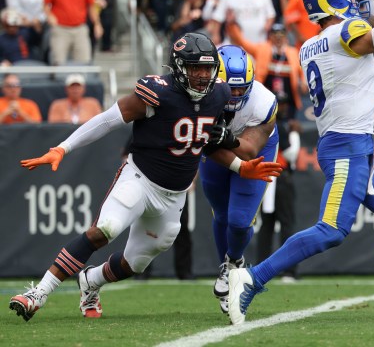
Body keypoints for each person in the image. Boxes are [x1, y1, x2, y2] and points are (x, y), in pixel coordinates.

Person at [228, 0, 374, 326]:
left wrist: (371, 69)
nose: (352, 0)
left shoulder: (309, 45)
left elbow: (345, 71)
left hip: (352, 142)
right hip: (347, 146)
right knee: (332, 229)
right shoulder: (346, 31)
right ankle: (252, 277)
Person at [9, 32, 282, 322]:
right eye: (195, 68)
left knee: (134, 263)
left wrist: (241, 167)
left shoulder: (219, 95)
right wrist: (63, 148)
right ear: (179, 68)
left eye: (207, 68)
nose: (203, 75)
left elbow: (206, 143)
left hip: (174, 196)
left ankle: (91, 282)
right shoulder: (157, 92)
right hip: (140, 178)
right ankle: (37, 293)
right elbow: (107, 120)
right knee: (105, 229)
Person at [198, 44, 279, 315]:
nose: (235, 95)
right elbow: (204, 144)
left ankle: (233, 263)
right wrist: (213, 139)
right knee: (221, 214)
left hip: (255, 148)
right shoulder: (200, 95)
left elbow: (249, 150)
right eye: (230, 88)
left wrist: (220, 136)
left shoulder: (263, 101)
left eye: (241, 88)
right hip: (216, 151)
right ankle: (230, 265)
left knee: (239, 219)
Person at [256, 92, 301, 282]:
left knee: (268, 225)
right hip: (278, 176)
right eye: (279, 105)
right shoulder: (279, 126)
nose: (282, 108)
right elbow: (291, 154)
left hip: (266, 177)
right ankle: (287, 270)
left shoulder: (263, 124)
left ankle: (263, 268)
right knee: (284, 224)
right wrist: (295, 133)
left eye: (284, 104)